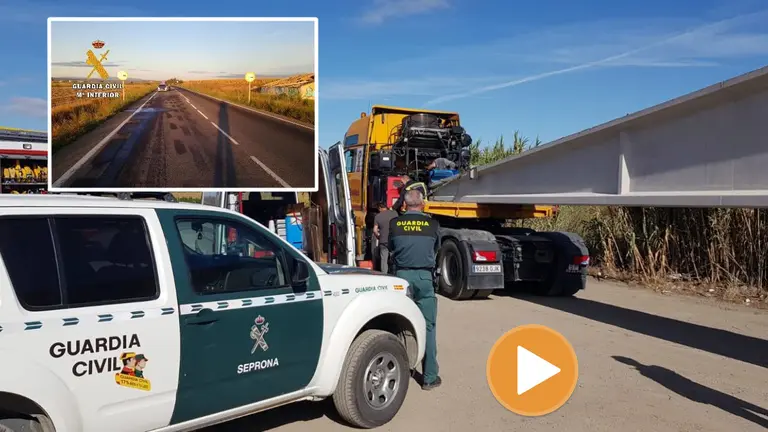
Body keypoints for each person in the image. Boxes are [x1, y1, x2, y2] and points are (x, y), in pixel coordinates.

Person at [388, 189, 442, 390]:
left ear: (404, 204)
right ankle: (429, 377)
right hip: (424, 277)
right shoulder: (433, 224)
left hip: (401, 278)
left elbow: (390, 247)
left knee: (398, 324)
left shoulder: (395, 223)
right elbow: (436, 249)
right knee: (428, 326)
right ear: (422, 204)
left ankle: (399, 370)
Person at [373, 202, 398, 274]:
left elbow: (375, 230)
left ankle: (384, 275)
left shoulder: (378, 216)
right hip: (393, 240)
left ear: (380, 208)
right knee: (393, 259)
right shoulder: (394, 213)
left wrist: (378, 237)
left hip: (383, 241)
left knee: (383, 260)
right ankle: (394, 274)